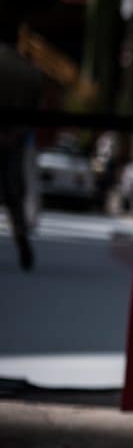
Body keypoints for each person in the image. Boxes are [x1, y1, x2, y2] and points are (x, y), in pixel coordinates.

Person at [0, 22, 42, 271]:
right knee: (14, 195)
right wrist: (15, 133)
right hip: (14, 140)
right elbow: (35, 108)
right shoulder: (28, 71)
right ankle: (22, 242)